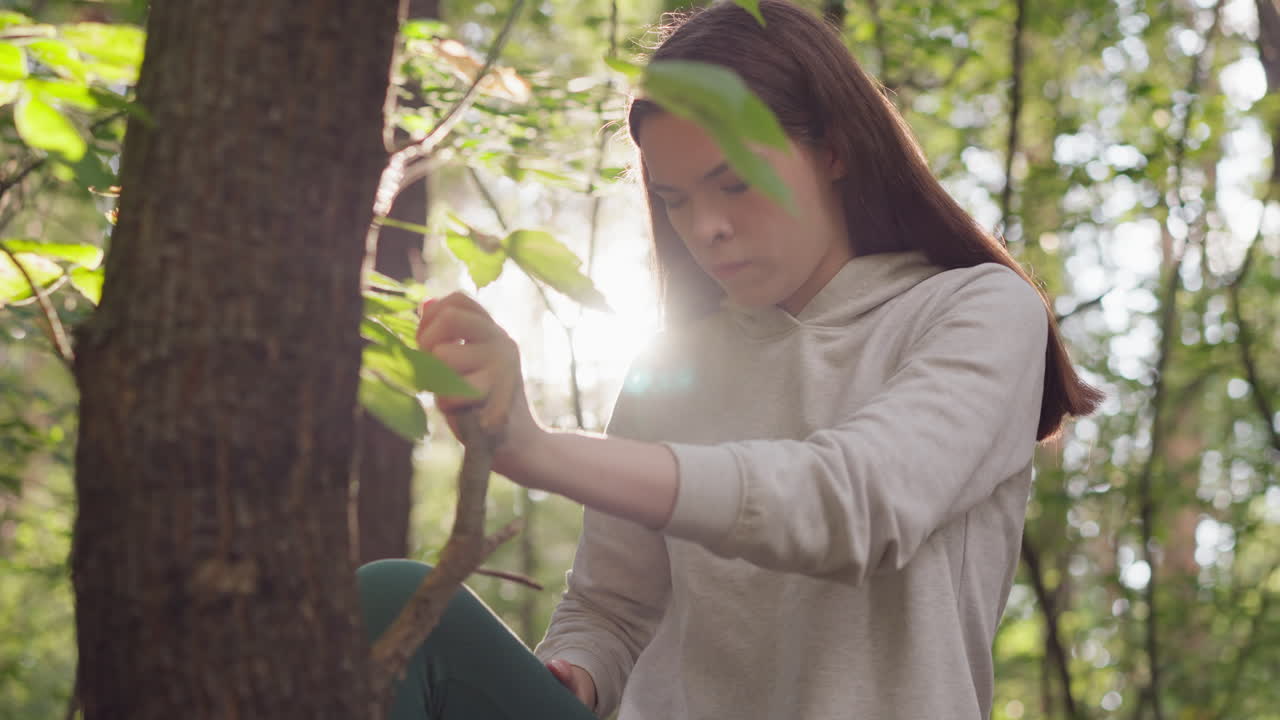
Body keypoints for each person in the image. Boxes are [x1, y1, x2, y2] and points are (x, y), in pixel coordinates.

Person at [357, 0, 1103, 718]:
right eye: (675, 198)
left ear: (835, 149)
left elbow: (856, 504)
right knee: (394, 600)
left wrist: (538, 449)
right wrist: (575, 674)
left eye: (735, 183)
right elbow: (610, 610)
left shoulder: (977, 310)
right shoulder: (671, 366)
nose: (705, 227)